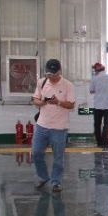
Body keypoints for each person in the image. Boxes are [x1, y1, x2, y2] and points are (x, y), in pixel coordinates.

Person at [32, 58, 76, 193]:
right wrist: (42, 102)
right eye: (49, 74)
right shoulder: (42, 82)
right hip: (41, 125)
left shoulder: (68, 85)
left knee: (58, 157)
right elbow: (35, 99)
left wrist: (58, 102)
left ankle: (56, 181)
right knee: (36, 153)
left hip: (59, 128)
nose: (51, 77)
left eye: (54, 74)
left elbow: (71, 105)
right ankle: (43, 176)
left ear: (60, 71)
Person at [89, 62, 108, 148]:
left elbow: (91, 91)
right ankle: (105, 143)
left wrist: (99, 90)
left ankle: (99, 143)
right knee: (107, 125)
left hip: (97, 106)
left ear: (96, 70)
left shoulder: (94, 79)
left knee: (97, 125)